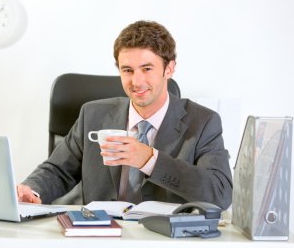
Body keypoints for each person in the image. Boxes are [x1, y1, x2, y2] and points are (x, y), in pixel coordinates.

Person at [17, 20, 233, 209]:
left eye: (147, 69)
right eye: (127, 70)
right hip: (99, 233)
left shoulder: (203, 122)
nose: (136, 82)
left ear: (169, 69)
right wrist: (32, 191)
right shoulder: (92, 114)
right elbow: (57, 170)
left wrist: (150, 160)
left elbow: (220, 194)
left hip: (161, 237)